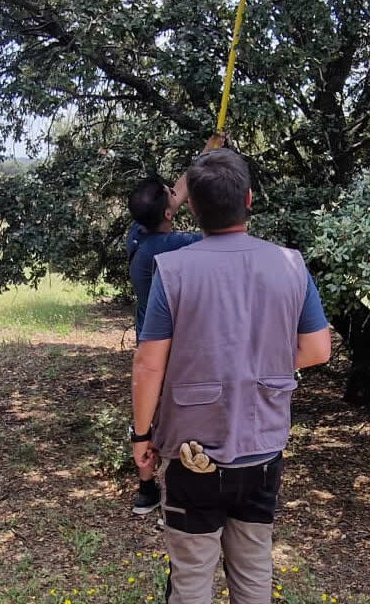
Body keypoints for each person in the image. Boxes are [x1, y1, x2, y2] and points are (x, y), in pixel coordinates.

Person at [130, 148, 331, 604]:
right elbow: (316, 350)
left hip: (193, 450)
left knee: (193, 572)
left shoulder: (171, 269)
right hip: (263, 446)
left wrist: (141, 437)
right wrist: (259, 362)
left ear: (191, 208)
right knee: (253, 564)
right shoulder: (289, 263)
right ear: (248, 200)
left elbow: (149, 366)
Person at [125, 134, 223, 516]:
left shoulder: (138, 235)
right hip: (170, 347)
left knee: (145, 415)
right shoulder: (176, 245)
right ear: (168, 214)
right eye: (169, 195)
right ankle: (172, 490)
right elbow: (216, 227)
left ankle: (146, 489)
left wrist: (205, 155)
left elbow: (177, 196)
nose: (175, 194)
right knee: (170, 417)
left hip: (148, 341)